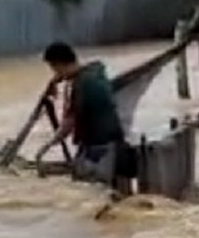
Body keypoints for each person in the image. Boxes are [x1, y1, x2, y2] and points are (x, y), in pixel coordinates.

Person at [34, 42, 133, 190]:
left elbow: (69, 122)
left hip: (99, 150)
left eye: (54, 68)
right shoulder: (95, 74)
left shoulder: (81, 85)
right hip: (116, 146)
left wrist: (47, 146)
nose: (54, 73)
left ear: (59, 64)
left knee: (93, 193)